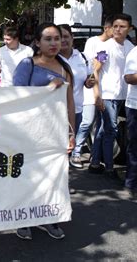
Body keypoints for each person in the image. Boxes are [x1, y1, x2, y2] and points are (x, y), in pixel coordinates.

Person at [13, 23, 75, 241]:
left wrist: (71, 132)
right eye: (48, 39)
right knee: (28, 176)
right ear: (37, 43)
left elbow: (70, 103)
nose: (54, 43)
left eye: (57, 38)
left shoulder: (65, 67)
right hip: (29, 132)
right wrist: (48, 89)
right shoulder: (27, 64)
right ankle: (23, 219)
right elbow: (16, 98)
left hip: (55, 132)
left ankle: (49, 217)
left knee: (53, 177)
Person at [90, 13, 134, 179]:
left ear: (129, 28)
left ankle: (95, 162)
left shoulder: (130, 46)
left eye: (122, 27)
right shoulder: (105, 47)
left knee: (103, 130)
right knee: (111, 130)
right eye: (115, 26)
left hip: (124, 94)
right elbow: (95, 70)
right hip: (108, 94)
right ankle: (109, 167)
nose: (117, 29)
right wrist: (97, 95)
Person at [71, 17, 113, 168]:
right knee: (87, 121)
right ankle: (76, 151)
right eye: (114, 28)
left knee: (99, 126)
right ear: (106, 28)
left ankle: (95, 158)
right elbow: (93, 66)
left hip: (108, 91)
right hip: (90, 90)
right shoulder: (93, 42)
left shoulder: (118, 45)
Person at [58, 24, 95, 168]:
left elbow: (87, 79)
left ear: (72, 38)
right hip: (56, 109)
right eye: (59, 37)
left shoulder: (83, 57)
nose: (63, 40)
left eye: (66, 36)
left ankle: (65, 183)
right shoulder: (52, 58)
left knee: (68, 146)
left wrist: (89, 82)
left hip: (76, 109)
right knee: (57, 150)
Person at [124, 44, 137, 199]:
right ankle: (131, 184)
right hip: (136, 106)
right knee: (135, 147)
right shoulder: (136, 52)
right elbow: (128, 78)